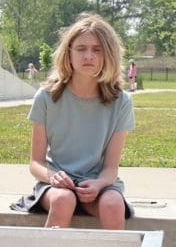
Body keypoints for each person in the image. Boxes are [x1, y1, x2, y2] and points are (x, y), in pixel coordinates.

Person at [9, 13, 135, 229]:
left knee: (114, 205)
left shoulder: (121, 101)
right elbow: (35, 163)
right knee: (64, 200)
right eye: (81, 48)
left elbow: (111, 169)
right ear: (69, 53)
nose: (88, 56)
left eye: (97, 49)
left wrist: (98, 184)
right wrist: (52, 177)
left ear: (109, 54)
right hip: (57, 184)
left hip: (98, 185)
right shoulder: (46, 97)